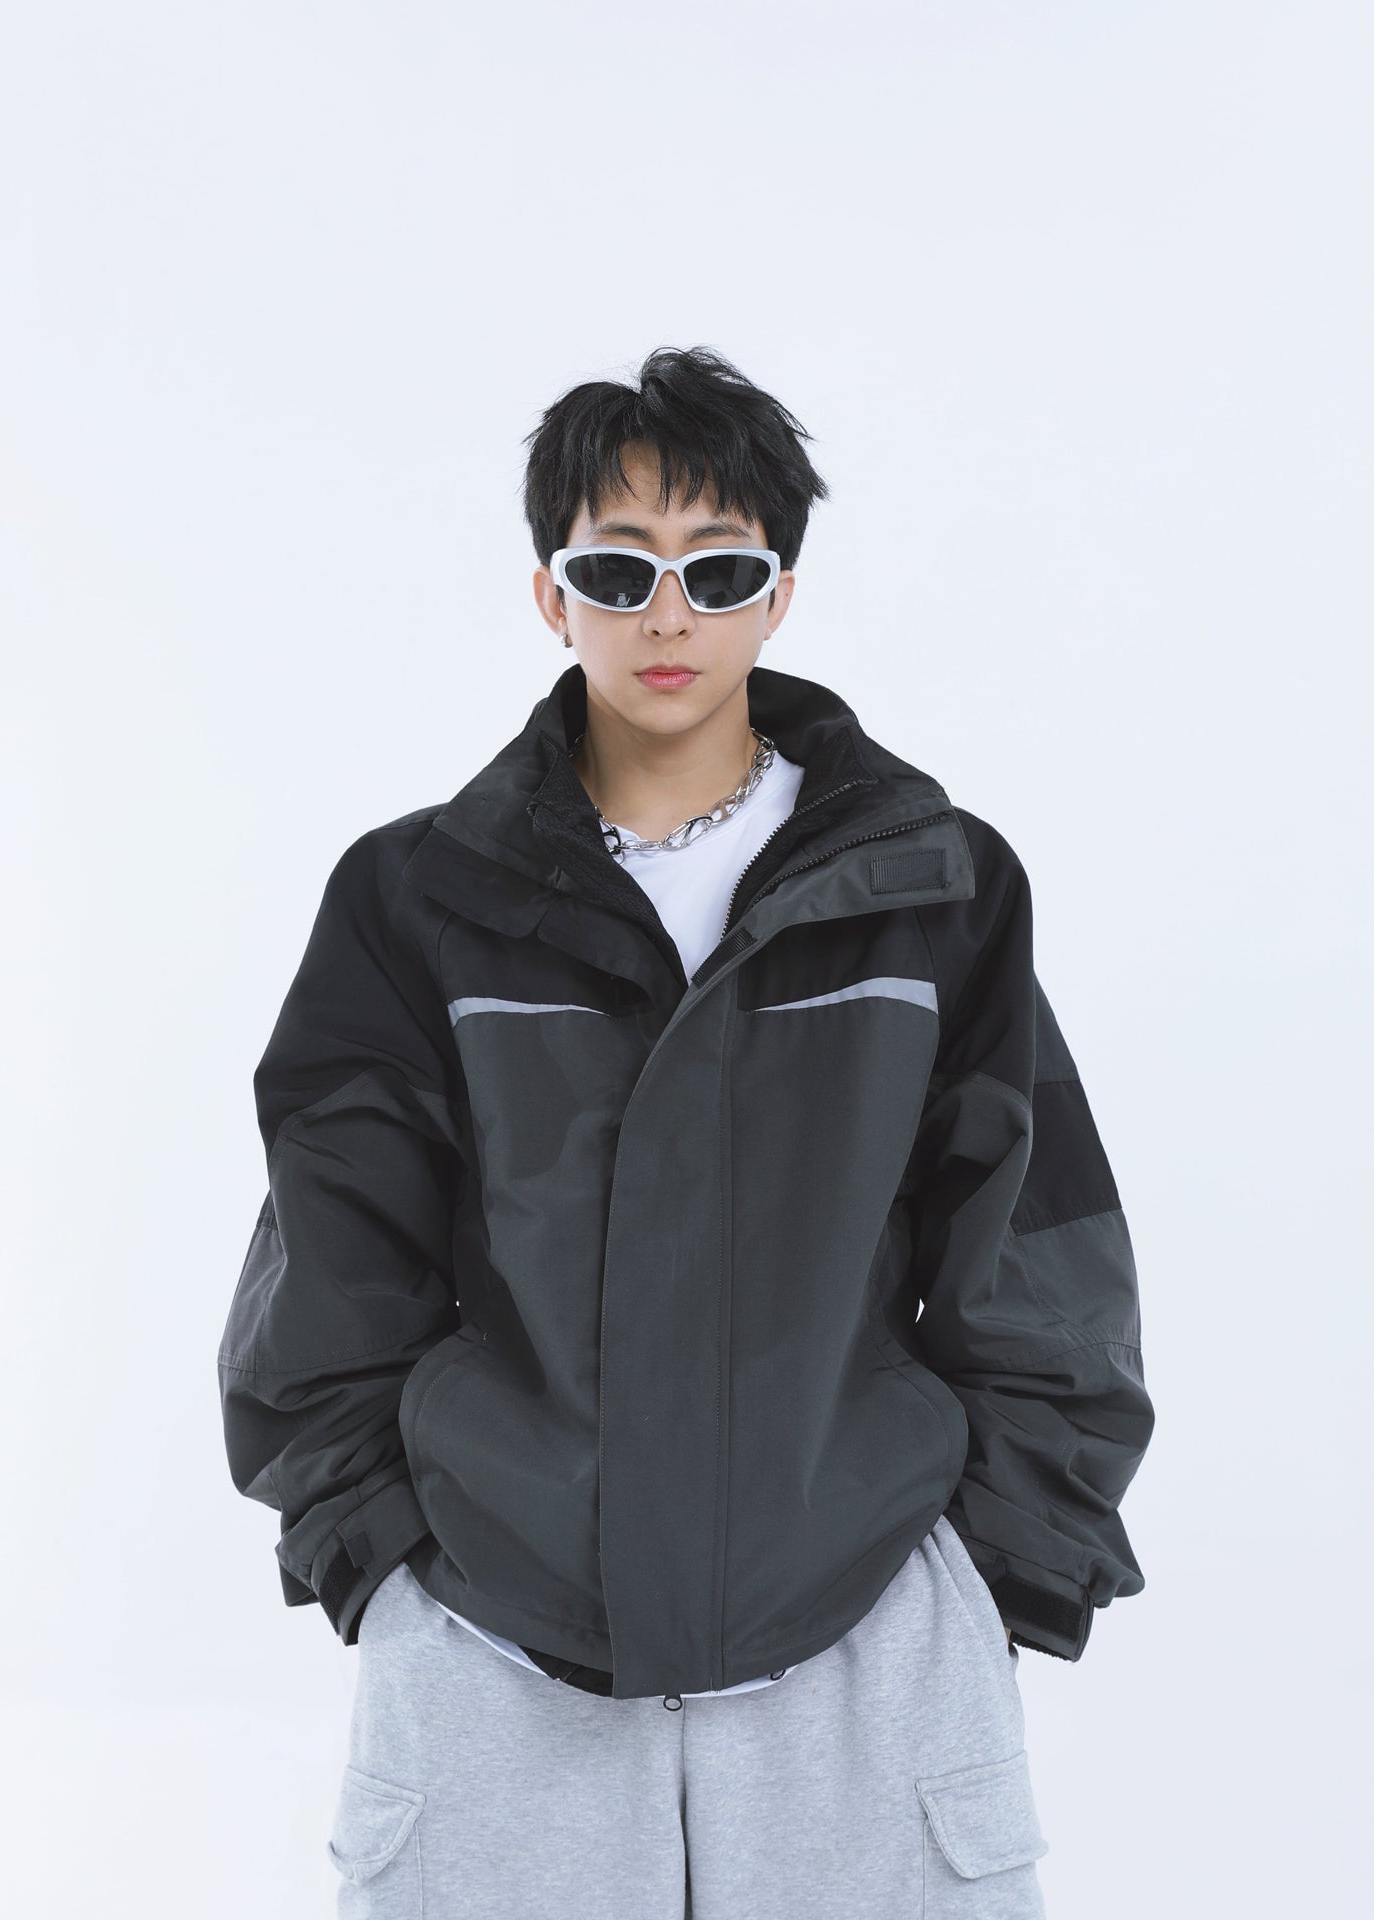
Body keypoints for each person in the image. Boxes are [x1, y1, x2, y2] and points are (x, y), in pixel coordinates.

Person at [218, 344, 1155, 1918]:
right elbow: (330, 1254)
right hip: (495, 1649)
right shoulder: (416, 900)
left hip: (864, 1640)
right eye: (618, 569)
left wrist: (996, 1570)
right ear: (550, 594)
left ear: (777, 597)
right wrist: (381, 1561)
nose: (668, 616)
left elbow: (1037, 1244)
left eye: (717, 570)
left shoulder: (930, 888)